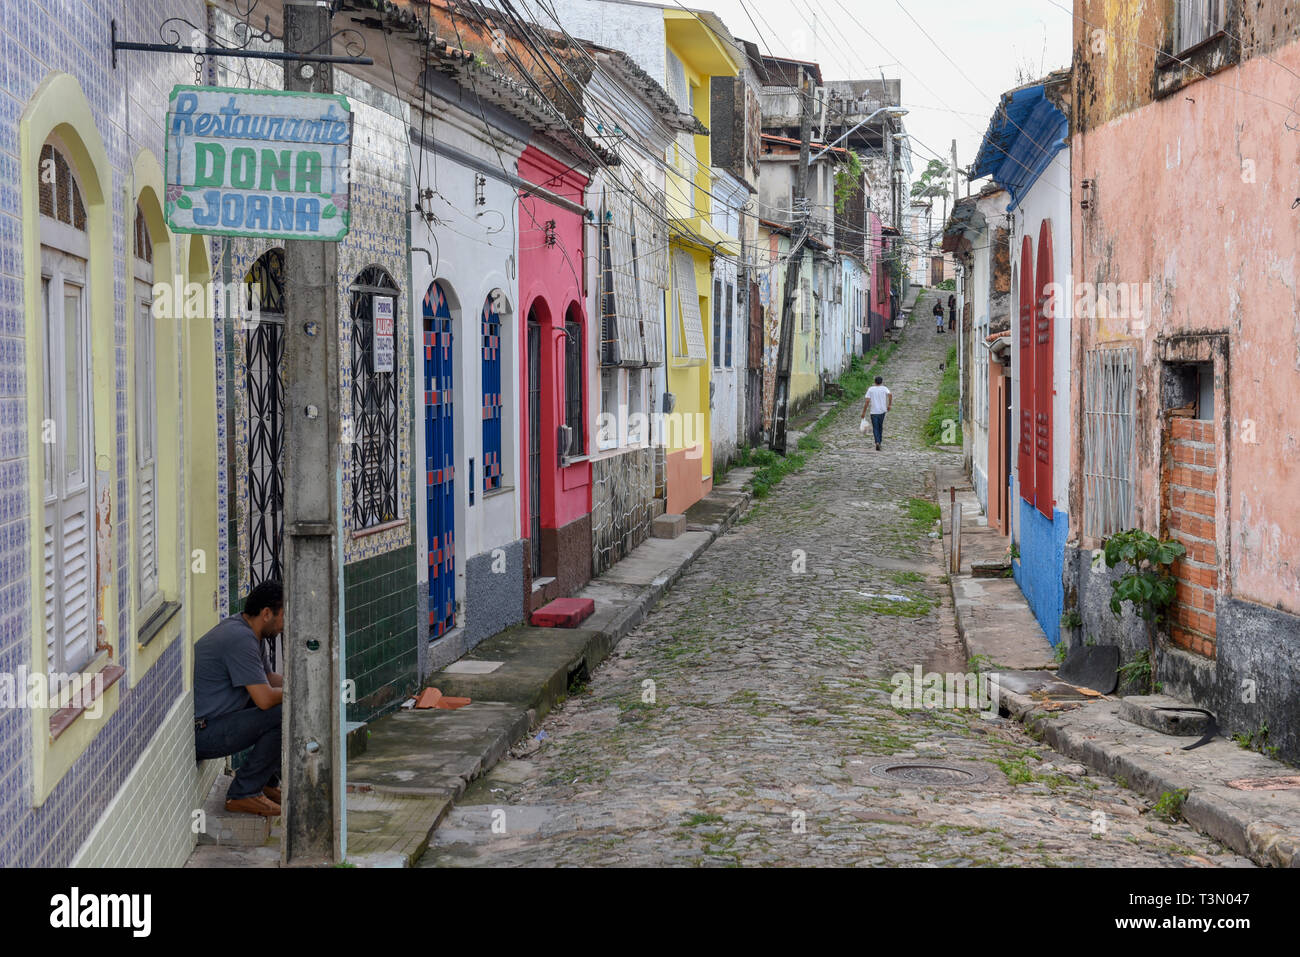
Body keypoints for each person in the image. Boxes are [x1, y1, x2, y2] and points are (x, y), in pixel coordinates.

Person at [194, 580, 286, 816]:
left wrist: (305, 684)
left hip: (218, 720)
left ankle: (266, 784)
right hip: (203, 733)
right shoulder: (240, 639)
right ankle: (244, 793)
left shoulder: (249, 631)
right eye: (284, 617)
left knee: (284, 707)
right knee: (283, 714)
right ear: (266, 613)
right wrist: (299, 693)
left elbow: (267, 678)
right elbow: (265, 699)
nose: (285, 626)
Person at [862, 375, 893, 450]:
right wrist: (889, 405)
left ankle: (877, 442)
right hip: (882, 411)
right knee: (880, 426)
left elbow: (867, 401)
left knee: (875, 427)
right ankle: (880, 441)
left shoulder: (871, 389)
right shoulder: (884, 388)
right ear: (882, 382)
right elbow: (890, 394)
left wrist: (863, 412)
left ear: (875, 382)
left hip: (874, 412)